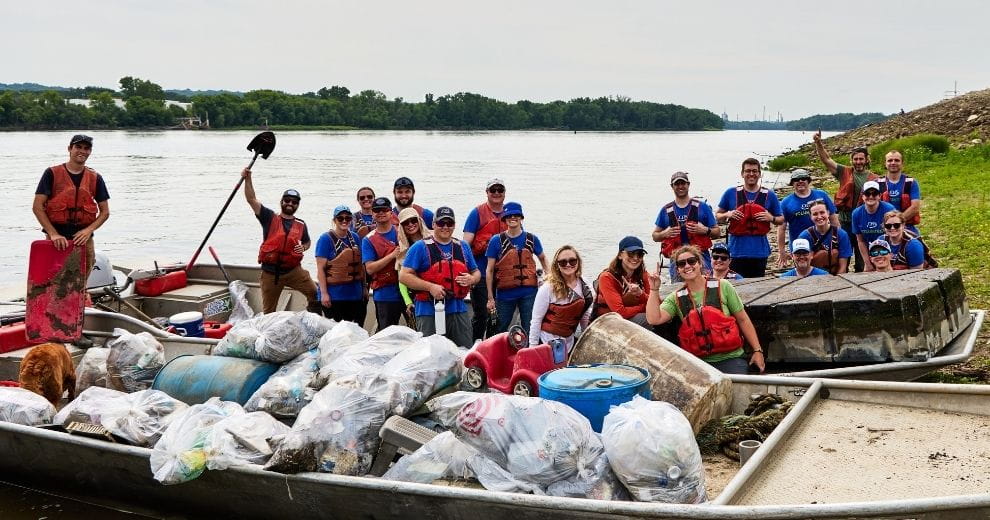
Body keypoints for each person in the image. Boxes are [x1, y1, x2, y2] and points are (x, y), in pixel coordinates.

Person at [646, 245, 766, 374]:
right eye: (681, 264)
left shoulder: (723, 286)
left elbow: (743, 320)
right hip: (697, 363)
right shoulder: (675, 298)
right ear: (678, 270)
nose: (687, 266)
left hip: (730, 358)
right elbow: (654, 319)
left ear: (699, 263)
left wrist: (757, 351)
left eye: (691, 261)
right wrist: (654, 289)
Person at [32, 134, 111, 280]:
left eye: (86, 148)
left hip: (83, 236)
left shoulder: (95, 177)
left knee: (84, 270)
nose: (82, 151)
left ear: (90, 152)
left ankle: (81, 295)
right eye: (78, 147)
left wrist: (88, 231)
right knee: (54, 273)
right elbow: (37, 206)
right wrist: (53, 234)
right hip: (57, 235)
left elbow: (105, 212)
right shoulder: (51, 173)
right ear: (70, 149)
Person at [399, 207, 480, 347]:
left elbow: (476, 272)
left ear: (454, 225)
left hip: (458, 310)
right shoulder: (419, 247)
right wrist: (430, 287)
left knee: (463, 353)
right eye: (441, 223)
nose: (445, 227)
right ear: (434, 224)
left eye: (449, 223)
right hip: (428, 311)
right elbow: (403, 276)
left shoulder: (463, 246)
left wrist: (472, 279)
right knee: (431, 355)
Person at [242, 168, 316, 314]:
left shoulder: (301, 224)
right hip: (270, 274)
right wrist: (247, 178)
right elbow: (251, 199)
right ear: (281, 202)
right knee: (269, 312)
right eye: (287, 200)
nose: (290, 203)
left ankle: (312, 321)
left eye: (294, 202)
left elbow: (307, 242)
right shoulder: (269, 217)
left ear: (297, 205)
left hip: (294, 271)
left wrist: (304, 248)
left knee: (315, 294)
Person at [813, 131, 878, 272]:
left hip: (863, 222)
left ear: (867, 160)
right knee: (843, 256)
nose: (858, 162)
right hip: (845, 222)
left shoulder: (875, 178)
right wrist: (818, 143)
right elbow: (827, 160)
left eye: (861, 159)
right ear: (851, 160)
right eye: (855, 159)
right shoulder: (844, 172)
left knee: (862, 258)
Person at [485, 202, 548, 334]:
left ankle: (527, 353)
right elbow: (489, 270)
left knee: (530, 327)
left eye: (516, 215)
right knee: (499, 328)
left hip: (529, 294)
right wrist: (490, 298)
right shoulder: (496, 241)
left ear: (521, 218)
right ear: (505, 219)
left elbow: (543, 258)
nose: (513, 218)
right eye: (509, 216)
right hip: (504, 295)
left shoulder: (532, 239)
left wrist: (549, 279)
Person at [716, 158, 783, 278]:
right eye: (747, 171)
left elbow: (781, 219)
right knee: (737, 287)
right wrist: (727, 214)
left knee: (756, 287)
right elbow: (718, 216)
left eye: (754, 171)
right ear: (742, 174)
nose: (751, 174)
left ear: (759, 174)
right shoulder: (730, 193)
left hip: (760, 252)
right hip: (736, 252)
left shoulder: (769, 195)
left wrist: (771, 218)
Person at [652, 171, 719, 282]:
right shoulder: (665, 210)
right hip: (677, 263)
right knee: (679, 293)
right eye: (677, 184)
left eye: (683, 183)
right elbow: (655, 236)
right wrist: (665, 233)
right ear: (672, 186)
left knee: (706, 290)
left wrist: (705, 230)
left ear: (688, 184)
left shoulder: (703, 207)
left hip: (701, 260)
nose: (680, 186)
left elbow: (717, 232)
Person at [462, 178, 507, 340]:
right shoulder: (477, 213)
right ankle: (477, 346)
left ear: (504, 193)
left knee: (499, 316)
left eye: (499, 190)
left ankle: (494, 346)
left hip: (503, 275)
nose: (496, 193)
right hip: (480, 273)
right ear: (487, 192)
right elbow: (465, 244)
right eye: (492, 190)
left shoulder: (510, 214)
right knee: (481, 315)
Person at [529, 245, 594, 354]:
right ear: (557, 265)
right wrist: (533, 349)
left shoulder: (585, 284)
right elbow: (536, 320)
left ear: (578, 263)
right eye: (563, 262)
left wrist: (587, 341)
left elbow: (585, 315)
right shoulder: (547, 288)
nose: (568, 264)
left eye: (572, 261)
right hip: (547, 342)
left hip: (569, 341)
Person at [776, 168, 839, 268]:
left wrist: (838, 239)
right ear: (792, 183)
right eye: (796, 179)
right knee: (803, 273)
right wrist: (781, 251)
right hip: (799, 245)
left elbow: (833, 219)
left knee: (826, 270)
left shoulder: (821, 195)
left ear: (808, 181)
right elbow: (781, 228)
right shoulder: (785, 202)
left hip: (823, 241)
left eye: (803, 178)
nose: (800, 181)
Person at [314, 205, 366, 324]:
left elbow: (361, 266)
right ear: (334, 220)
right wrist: (324, 294)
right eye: (340, 218)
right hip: (334, 296)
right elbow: (321, 269)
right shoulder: (325, 239)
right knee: (337, 333)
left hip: (355, 295)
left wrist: (364, 288)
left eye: (347, 218)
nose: (344, 221)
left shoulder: (355, 238)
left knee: (355, 330)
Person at [362, 196, 404, 330]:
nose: (381, 213)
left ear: (391, 213)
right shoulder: (368, 240)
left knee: (416, 329)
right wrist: (391, 256)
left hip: (407, 291)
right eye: (377, 210)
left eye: (384, 210)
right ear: (372, 214)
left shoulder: (402, 232)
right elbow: (369, 269)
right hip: (385, 294)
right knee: (386, 334)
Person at [593, 236, 652, 327]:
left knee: (662, 316)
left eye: (640, 254)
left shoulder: (643, 275)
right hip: (607, 322)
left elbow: (656, 304)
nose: (636, 258)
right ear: (620, 255)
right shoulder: (607, 278)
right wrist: (645, 307)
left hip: (629, 316)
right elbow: (620, 312)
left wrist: (641, 294)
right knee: (648, 319)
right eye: (631, 254)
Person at [395, 207, 432, 324]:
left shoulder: (433, 241)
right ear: (401, 227)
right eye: (406, 222)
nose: (410, 224)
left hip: (435, 294)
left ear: (419, 221)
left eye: (413, 220)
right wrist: (408, 302)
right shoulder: (402, 249)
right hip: (415, 298)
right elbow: (401, 279)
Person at [796, 200, 852, 274]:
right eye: (815, 214)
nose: (819, 217)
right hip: (812, 277)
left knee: (834, 252)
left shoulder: (841, 234)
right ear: (810, 217)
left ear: (828, 213)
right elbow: (801, 266)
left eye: (822, 212)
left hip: (836, 276)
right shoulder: (804, 237)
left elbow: (843, 267)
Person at [851, 181, 896, 272]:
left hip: (889, 251)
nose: (871, 197)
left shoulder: (889, 209)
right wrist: (867, 263)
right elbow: (860, 240)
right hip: (872, 252)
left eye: (874, 193)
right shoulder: (856, 213)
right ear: (863, 196)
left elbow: (895, 234)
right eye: (867, 194)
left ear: (879, 196)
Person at [876, 150, 922, 235]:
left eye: (897, 160)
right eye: (890, 160)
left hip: (907, 226)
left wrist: (897, 224)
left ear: (902, 163)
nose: (893, 163)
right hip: (884, 228)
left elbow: (915, 207)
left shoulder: (911, 182)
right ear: (885, 163)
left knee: (918, 246)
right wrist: (889, 225)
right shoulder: (877, 183)